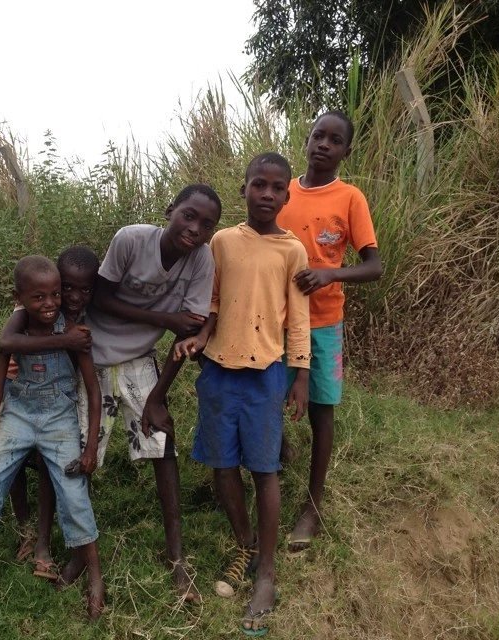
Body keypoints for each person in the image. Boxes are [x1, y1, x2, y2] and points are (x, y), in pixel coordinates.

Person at [176, 152, 310, 636]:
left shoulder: (293, 251)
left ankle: (267, 572)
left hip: (266, 374)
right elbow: (211, 303)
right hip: (218, 370)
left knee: (265, 470)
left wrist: (300, 375)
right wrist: (199, 338)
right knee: (222, 464)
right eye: (259, 185)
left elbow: (298, 317)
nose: (268, 194)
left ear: (286, 196)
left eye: (277, 187)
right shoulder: (222, 242)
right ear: (245, 190)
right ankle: (245, 543)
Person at [74, 184, 222, 602]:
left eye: (206, 225)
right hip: (94, 356)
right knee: (85, 452)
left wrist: (158, 397)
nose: (194, 229)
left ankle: (176, 557)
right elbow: (100, 300)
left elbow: (187, 333)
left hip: (141, 360)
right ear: (170, 209)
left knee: (162, 445)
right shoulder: (131, 239)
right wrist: (163, 316)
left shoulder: (201, 260)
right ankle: (81, 549)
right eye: (188, 216)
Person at [0, 256, 105, 619]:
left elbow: (93, 392)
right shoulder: (16, 328)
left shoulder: (74, 330)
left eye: (55, 295)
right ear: (20, 298)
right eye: (39, 297)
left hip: (59, 417)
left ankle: (95, 579)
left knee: (74, 493)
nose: (49, 304)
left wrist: (90, 447)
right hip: (18, 414)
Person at [276, 111, 382, 553]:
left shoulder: (350, 198)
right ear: (307, 139)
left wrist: (329, 274)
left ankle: (312, 506)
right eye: (318, 135)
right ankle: (278, 457)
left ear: (345, 151)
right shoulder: (280, 190)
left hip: (322, 323)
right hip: (274, 320)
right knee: (268, 398)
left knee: (321, 412)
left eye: (334, 140)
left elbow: (374, 266)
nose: (324, 144)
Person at [0, 246, 99, 579]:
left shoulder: (81, 317)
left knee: (50, 464)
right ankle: (26, 528)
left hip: (64, 399)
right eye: (65, 288)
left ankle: (45, 541)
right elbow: (6, 343)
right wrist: (62, 342)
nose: (71, 296)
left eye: (80, 289)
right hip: (26, 396)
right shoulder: (31, 309)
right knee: (12, 462)